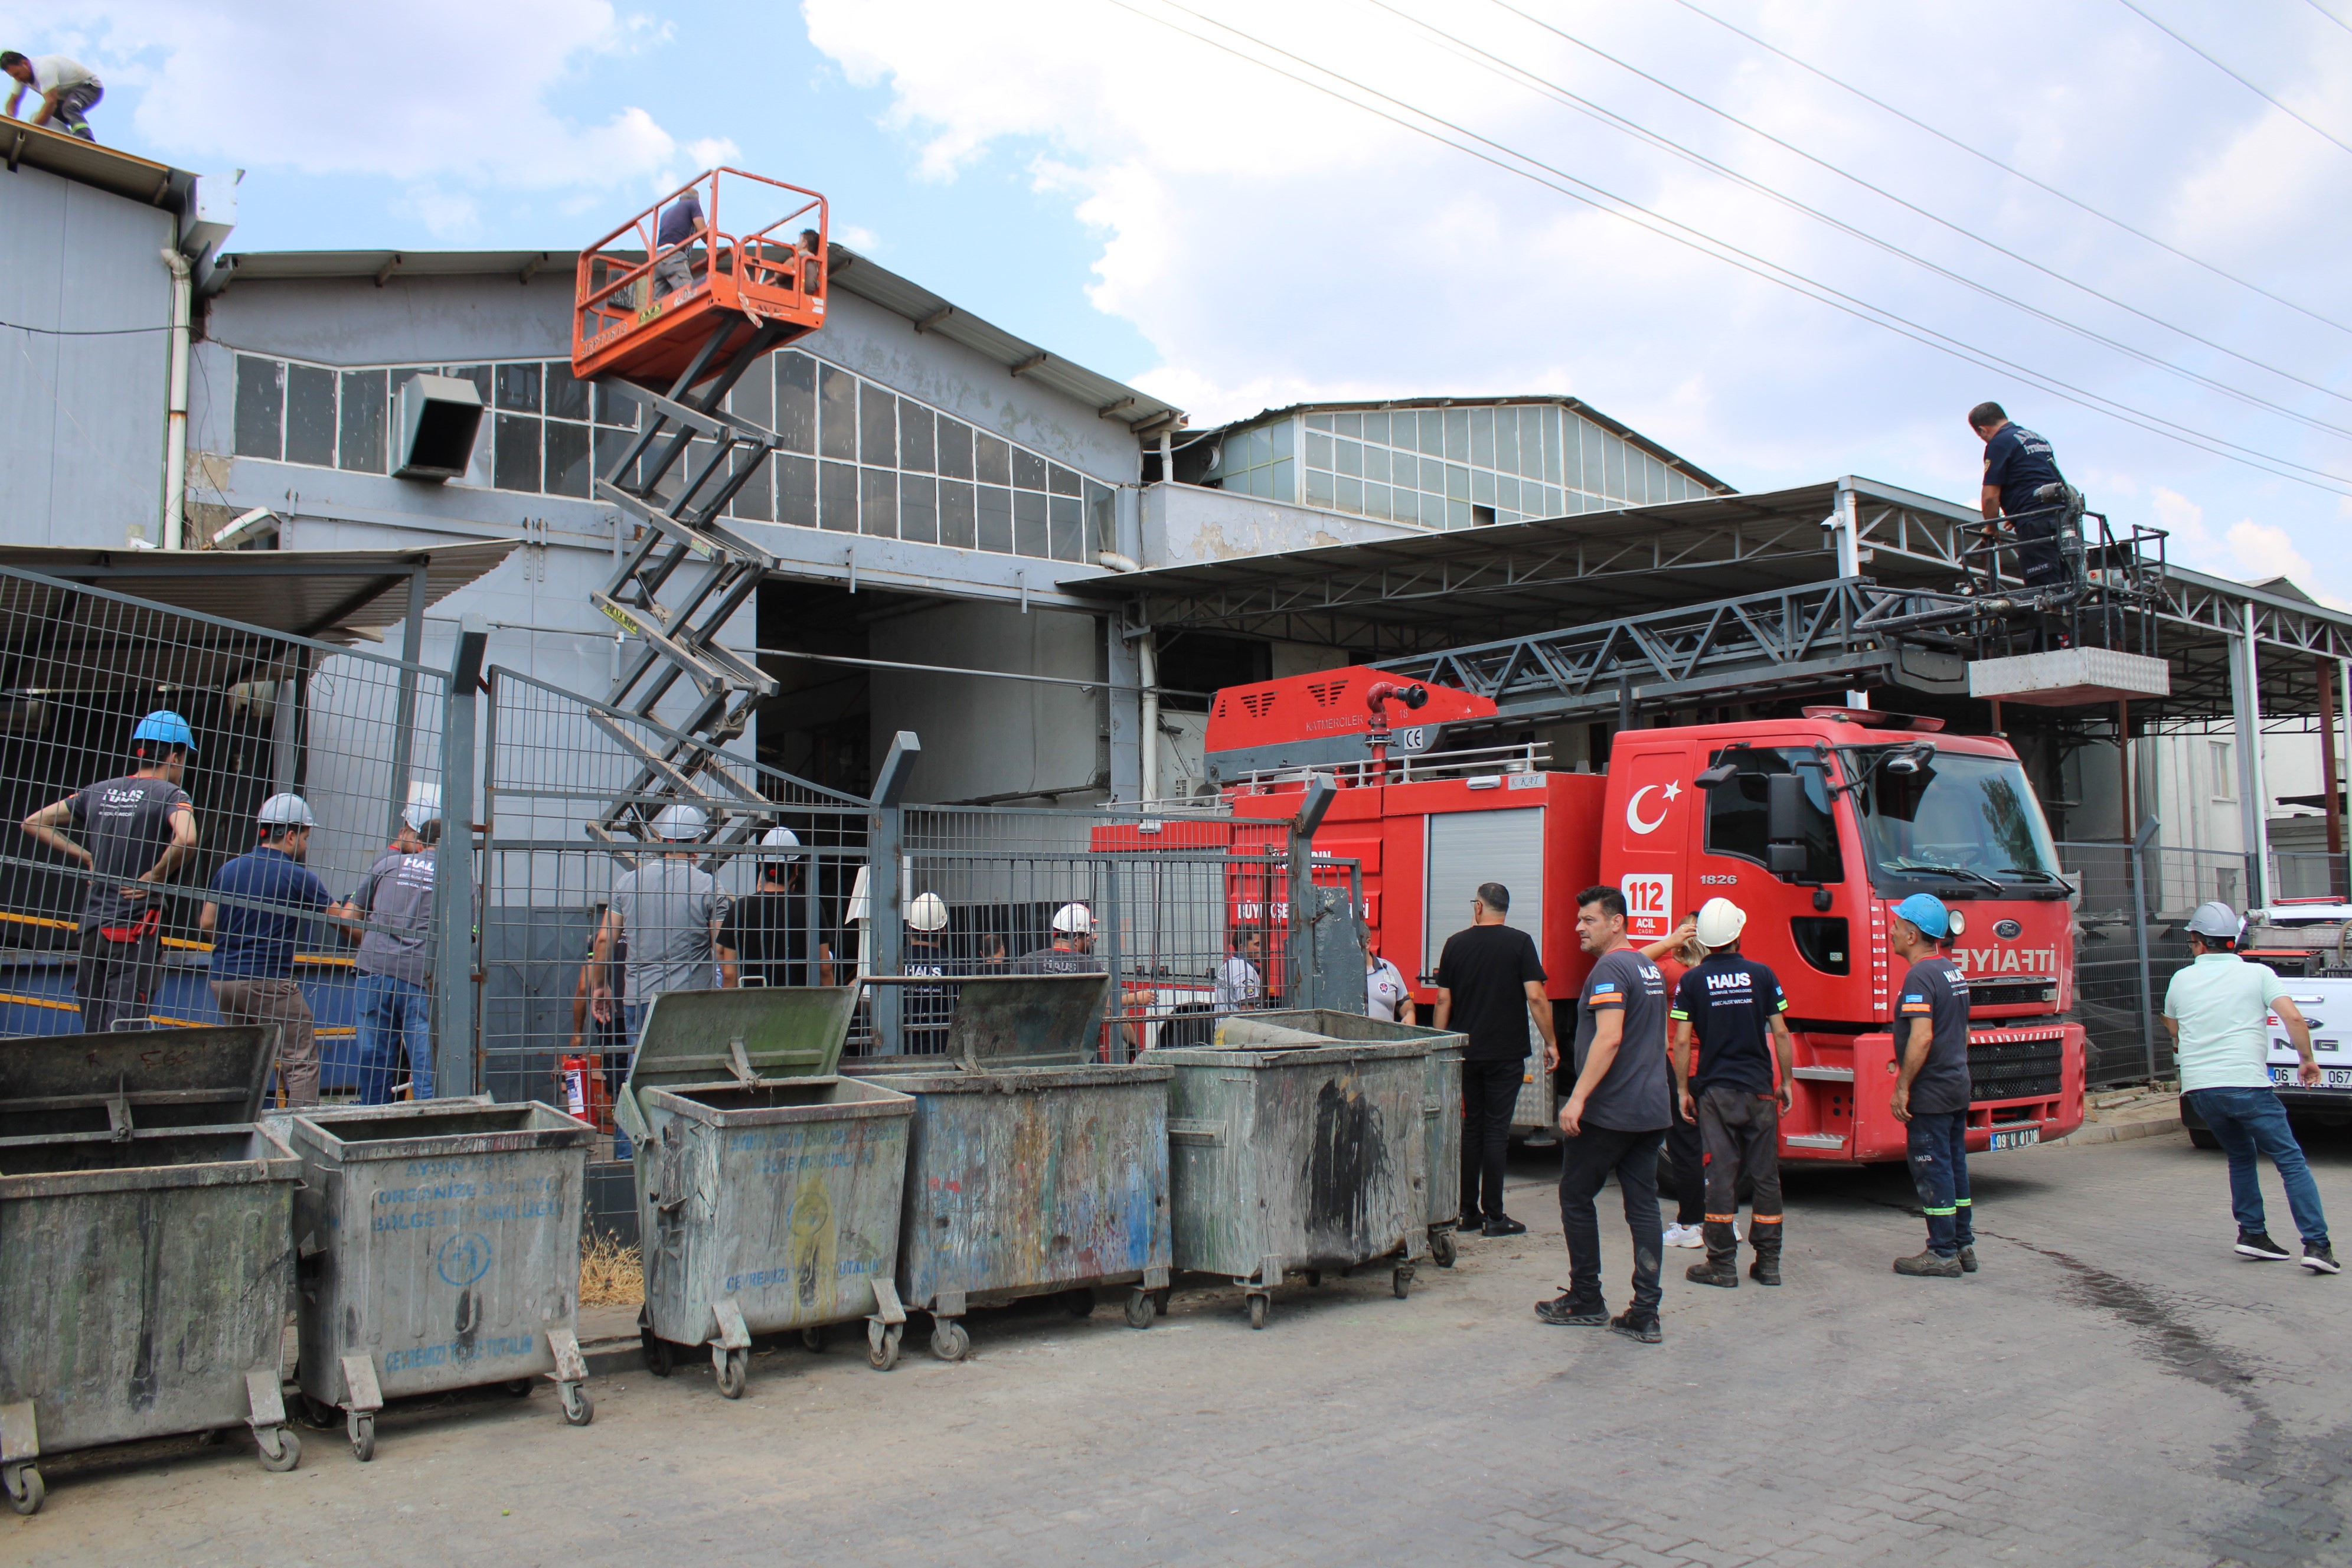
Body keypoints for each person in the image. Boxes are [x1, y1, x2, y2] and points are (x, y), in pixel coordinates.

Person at [2164, 901, 2335, 1273]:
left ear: (2197, 941)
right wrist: (2307, 1060)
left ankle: (2252, 1234)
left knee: (2241, 1156)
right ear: (2232, 941)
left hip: (2201, 1091)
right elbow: (2292, 1016)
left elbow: (2173, 1027)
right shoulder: (2258, 975)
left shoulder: (2181, 979)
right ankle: (2317, 1245)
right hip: (2246, 1085)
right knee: (2290, 1160)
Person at [1537, 886, 1672, 1344]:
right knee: (1644, 1208)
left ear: (1616, 923)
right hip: (1651, 1110)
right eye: (1579, 920)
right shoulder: (1643, 965)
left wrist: (1577, 1098)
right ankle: (1645, 1313)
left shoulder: (1611, 968)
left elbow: (1609, 1037)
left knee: (1576, 1196)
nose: (1579, 927)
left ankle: (1586, 1298)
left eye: (1589, 920)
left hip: (1611, 1112)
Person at [19, 710, 200, 1032]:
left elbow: (33, 822)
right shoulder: (171, 795)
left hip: (91, 929)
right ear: (175, 755)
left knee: (94, 1027)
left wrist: (87, 856)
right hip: (133, 930)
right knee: (125, 1029)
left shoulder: (99, 790)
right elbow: (187, 837)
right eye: (184, 759)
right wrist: (156, 876)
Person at [1670, 898, 1795, 1289]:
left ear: (1705, 942)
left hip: (1715, 1093)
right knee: (1765, 1178)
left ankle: (1722, 1265)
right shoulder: (1762, 974)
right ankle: (1769, 1263)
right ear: (1738, 934)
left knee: (1721, 1177)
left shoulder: (1690, 982)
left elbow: (1682, 1040)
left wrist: (1682, 1090)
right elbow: (1781, 1032)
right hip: (1758, 1090)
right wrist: (1787, 1082)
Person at [1433, 881, 1553, 1238]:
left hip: (1467, 1052)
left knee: (1472, 1130)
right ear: (1506, 909)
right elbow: (1536, 997)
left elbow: (1443, 1002)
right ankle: (1495, 1216)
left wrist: (1442, 1045)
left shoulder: (1455, 944)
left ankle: (1467, 1212)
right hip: (1506, 1053)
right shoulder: (1520, 943)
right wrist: (1551, 1043)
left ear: (1479, 907)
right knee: (1497, 1132)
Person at [204, 795, 334, 1108]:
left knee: (249, 1060)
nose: (304, 845)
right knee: (300, 1059)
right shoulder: (298, 876)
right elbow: (339, 919)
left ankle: (247, 1128)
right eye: (304, 837)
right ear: (290, 836)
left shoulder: (229, 869)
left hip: (224, 979)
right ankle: (302, 1132)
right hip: (269, 981)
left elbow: (207, 921)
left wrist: (237, 942)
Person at [592, 802, 731, 1061]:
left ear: (663, 840)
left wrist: (601, 987)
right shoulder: (709, 887)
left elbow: (602, 940)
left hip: (640, 998)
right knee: (688, 1075)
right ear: (696, 844)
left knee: (643, 1076)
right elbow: (721, 949)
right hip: (691, 1000)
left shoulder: (628, 882)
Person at [1888, 893, 1976, 1278]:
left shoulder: (1919, 976)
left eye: (1896, 926)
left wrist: (1903, 1085)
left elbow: (1922, 1037)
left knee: (1932, 1168)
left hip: (1933, 1093)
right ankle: (1962, 1245)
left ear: (1911, 935)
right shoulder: (1950, 972)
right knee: (1955, 1166)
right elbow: (1963, 1032)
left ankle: (1942, 1252)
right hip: (1956, 1085)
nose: (1890, 931)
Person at [338, 792, 440, 1104]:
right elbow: (467, 941)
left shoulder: (388, 864)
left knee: (374, 1058)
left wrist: (373, 944)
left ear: (419, 841)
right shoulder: (458, 877)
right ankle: (429, 1125)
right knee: (425, 1063)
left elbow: (347, 914)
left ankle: (371, 1125)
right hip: (418, 977)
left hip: (373, 968)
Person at [1643, 913, 1707, 1249]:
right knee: (1716, 1150)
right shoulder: (1715, 973)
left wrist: (1669, 942)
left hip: (1679, 1067)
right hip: (1710, 1069)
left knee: (1684, 1150)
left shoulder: (1673, 971)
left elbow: (1633, 963)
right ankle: (1720, 1222)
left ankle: (1690, 1224)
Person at [717, 827, 835, 989]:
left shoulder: (740, 908)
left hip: (751, 1004)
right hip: (801, 1004)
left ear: (761, 867)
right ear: (795, 869)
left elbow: (729, 974)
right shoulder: (811, 907)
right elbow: (824, 968)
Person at [1968, 401, 2069, 588]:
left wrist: (1991, 528)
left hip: (2036, 523)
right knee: (2066, 582)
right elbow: (2038, 478)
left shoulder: (1999, 442)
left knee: (2044, 590)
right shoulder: (2038, 438)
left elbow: (1990, 496)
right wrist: (2016, 513)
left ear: (1982, 430)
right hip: (2062, 519)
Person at [899, 891, 958, 1055]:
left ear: (910, 930)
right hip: (941, 1055)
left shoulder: (894, 966)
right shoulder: (955, 970)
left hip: (898, 1053)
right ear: (944, 932)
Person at [2, 51, 103, 141]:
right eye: (13, 76)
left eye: (17, 74)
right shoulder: (20, 77)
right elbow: (14, 101)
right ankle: (68, 140)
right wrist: (11, 120)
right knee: (41, 119)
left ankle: (86, 140)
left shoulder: (43, 69)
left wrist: (31, 130)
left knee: (69, 108)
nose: (17, 79)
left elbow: (51, 103)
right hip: (65, 97)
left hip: (90, 87)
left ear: (25, 64)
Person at [1018, 904, 1107, 975]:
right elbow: (1109, 997)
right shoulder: (1092, 967)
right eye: (1089, 935)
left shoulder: (1028, 961)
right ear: (1076, 940)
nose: (1095, 937)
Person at [652, 187, 705, 299]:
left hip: (657, 259)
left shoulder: (666, 212)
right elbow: (702, 230)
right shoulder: (693, 204)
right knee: (689, 295)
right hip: (674, 256)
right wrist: (711, 244)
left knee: (661, 305)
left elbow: (676, 231)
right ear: (696, 199)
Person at [1215, 926, 1265, 1011]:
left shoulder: (1228, 965)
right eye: (1257, 944)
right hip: (1237, 1024)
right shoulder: (1245, 971)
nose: (1263, 949)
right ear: (1243, 948)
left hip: (1224, 1024)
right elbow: (1248, 1014)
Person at [1367, 943, 1411, 1024]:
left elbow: (1404, 1003)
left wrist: (1410, 1014)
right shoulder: (1339, 972)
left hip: (1385, 1035)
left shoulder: (1388, 969)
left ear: (1367, 943)